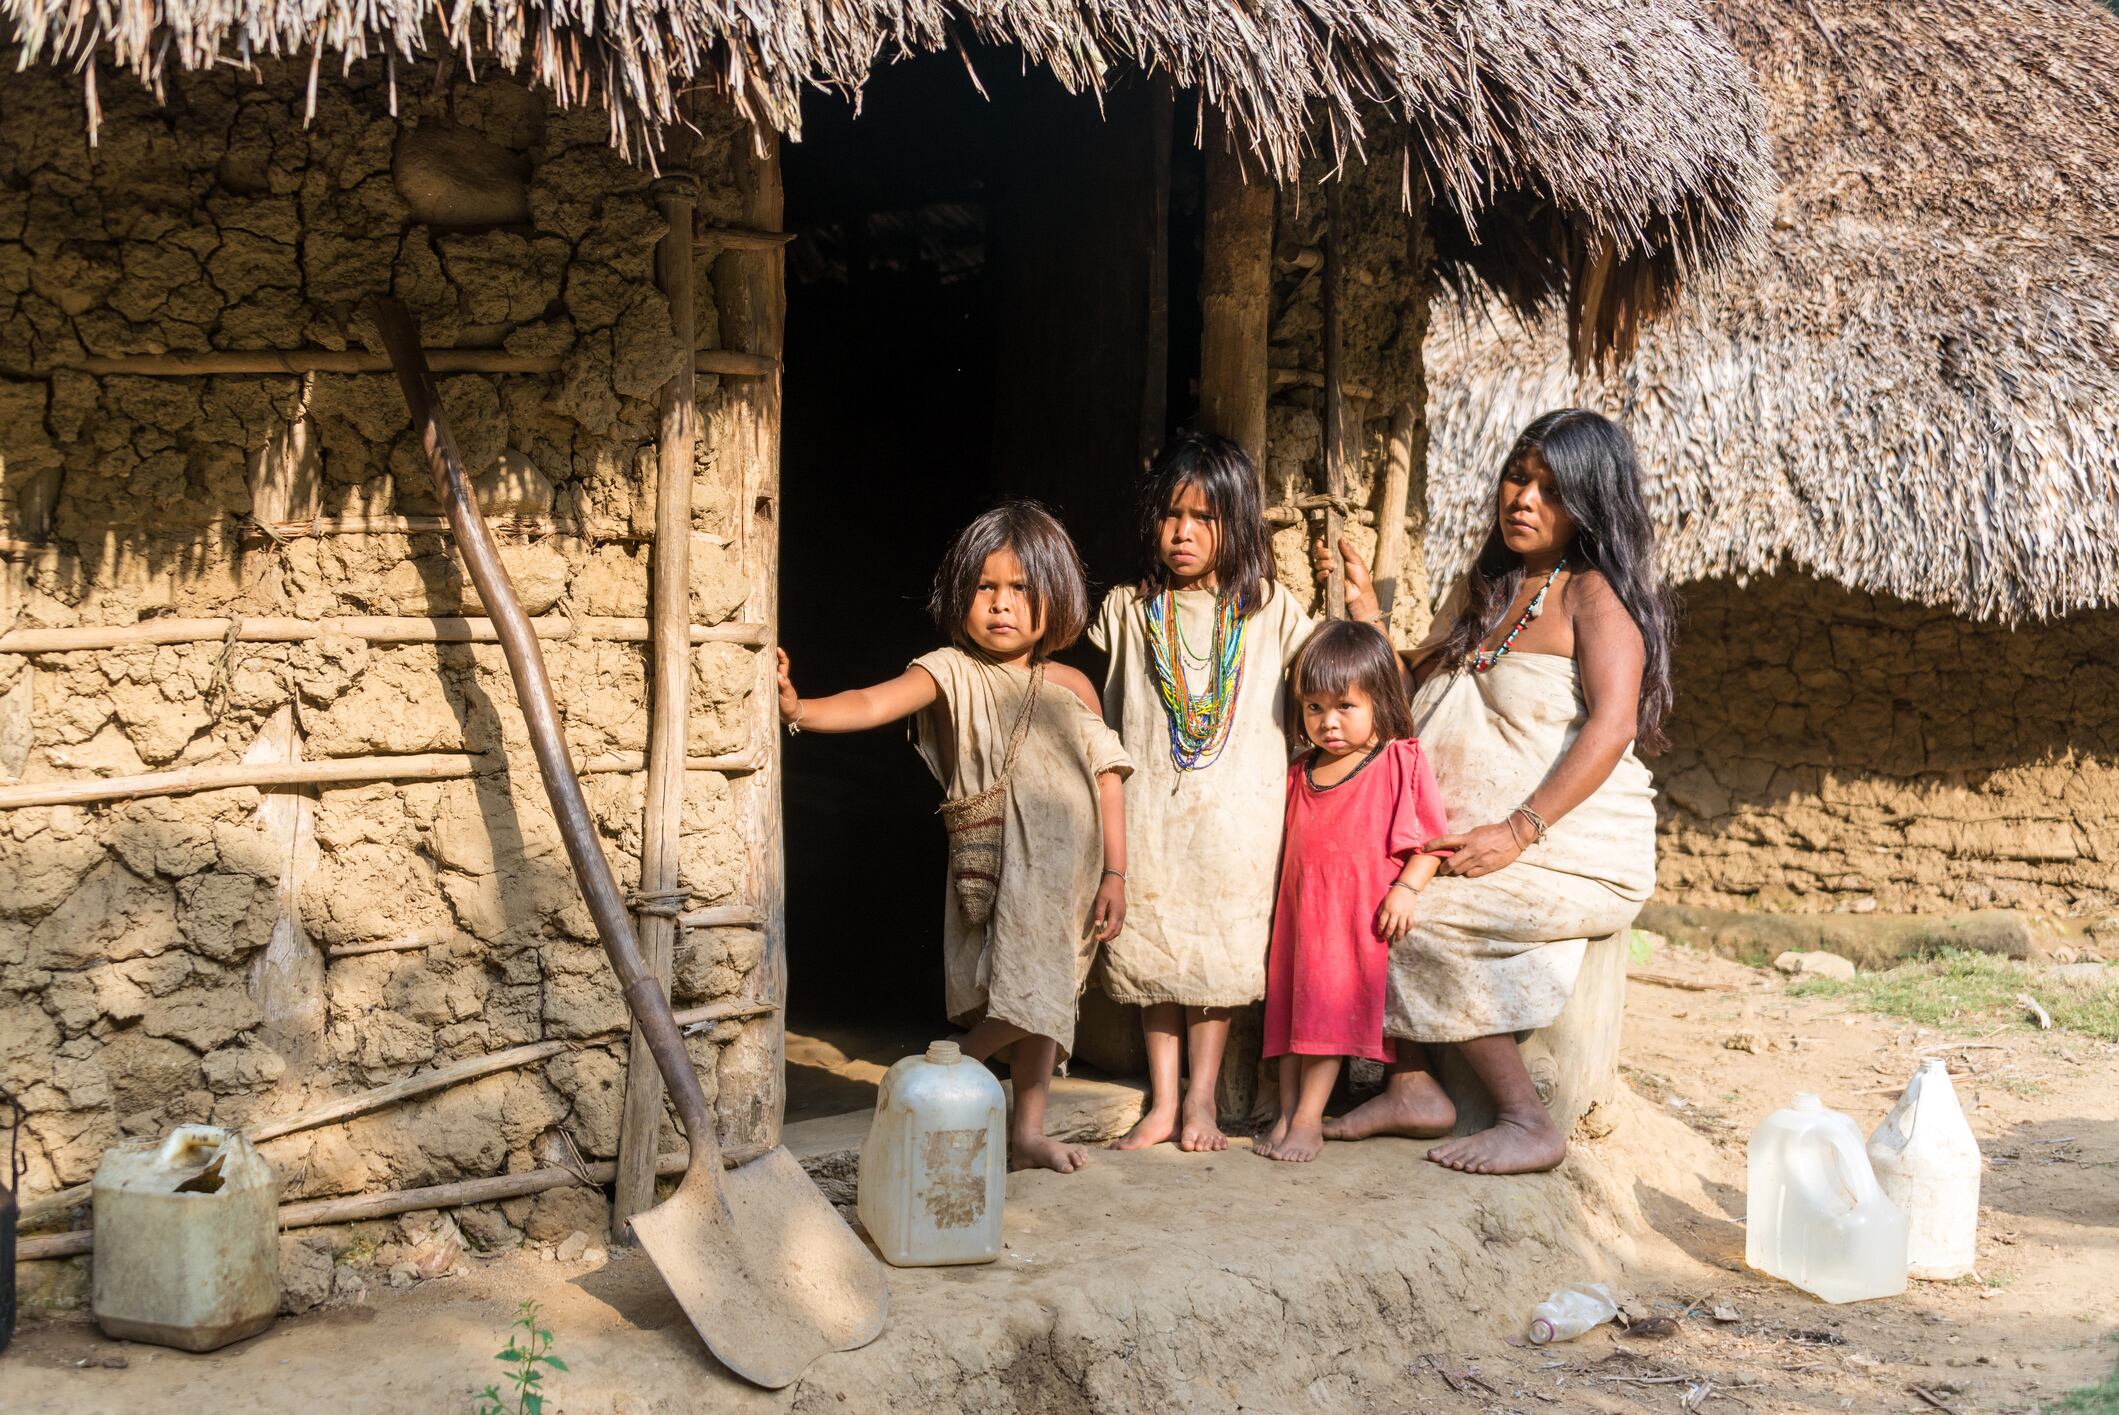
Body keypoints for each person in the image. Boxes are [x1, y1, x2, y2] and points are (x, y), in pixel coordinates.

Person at [1319, 408, 1672, 1175]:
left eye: (1549, 488)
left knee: (1419, 922)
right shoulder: (1482, 586)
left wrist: (1517, 830)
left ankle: (1526, 1119)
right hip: (1470, 841)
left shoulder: (1593, 597)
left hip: (1571, 849)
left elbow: (1610, 727)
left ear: (1589, 502)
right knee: (1362, 896)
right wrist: (1367, 619)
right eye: (1518, 476)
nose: (1523, 498)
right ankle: (1411, 1086)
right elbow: (1415, 695)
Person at [776, 501, 1131, 1174]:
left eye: (1021, 588)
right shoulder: (947, 670)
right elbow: (870, 701)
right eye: (985, 587)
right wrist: (799, 709)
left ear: (1057, 596)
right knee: (1025, 993)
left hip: (1072, 881)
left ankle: (1024, 1131)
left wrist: (1115, 873)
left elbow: (1109, 777)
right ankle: (939, 1071)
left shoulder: (1071, 684)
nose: (1002, 604)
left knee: (1047, 1006)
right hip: (1002, 867)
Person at [1088, 433, 1315, 1153]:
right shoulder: (1127, 609)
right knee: (1154, 946)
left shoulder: (1270, 609)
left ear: (1238, 524)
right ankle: (1161, 1101)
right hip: (1151, 811)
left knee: (1216, 953)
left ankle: (1200, 1101)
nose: (1182, 533)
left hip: (1237, 820)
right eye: (1169, 516)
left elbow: (1328, 676)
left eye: (1203, 518)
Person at [1255, 621, 1449, 1163]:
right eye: (1314, 709)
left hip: (1353, 921)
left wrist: (1406, 890)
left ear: (1380, 701)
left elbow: (1431, 841)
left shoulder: (1395, 762)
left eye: (1345, 706)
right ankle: (1287, 1114)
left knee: (1324, 1021)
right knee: (1292, 1018)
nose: (1328, 722)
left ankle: (1310, 1121)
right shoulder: (1300, 772)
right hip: (1299, 920)